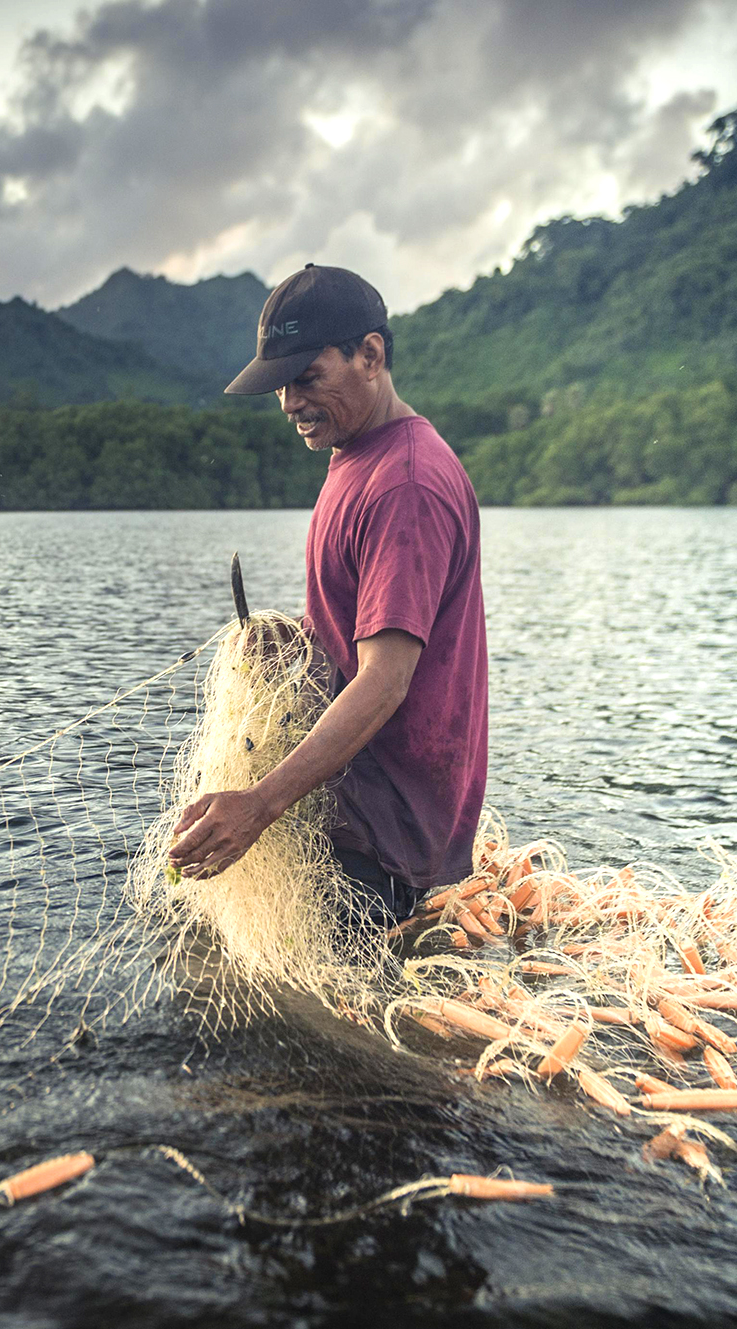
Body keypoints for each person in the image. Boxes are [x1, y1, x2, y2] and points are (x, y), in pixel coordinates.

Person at [168, 264, 488, 925]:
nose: (289, 402)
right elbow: (365, 626)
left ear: (369, 354)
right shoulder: (357, 453)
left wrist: (259, 805)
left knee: (333, 1013)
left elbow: (385, 682)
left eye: (306, 378)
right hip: (354, 810)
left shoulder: (405, 484)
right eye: (280, 385)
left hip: (383, 843)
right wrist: (303, 639)